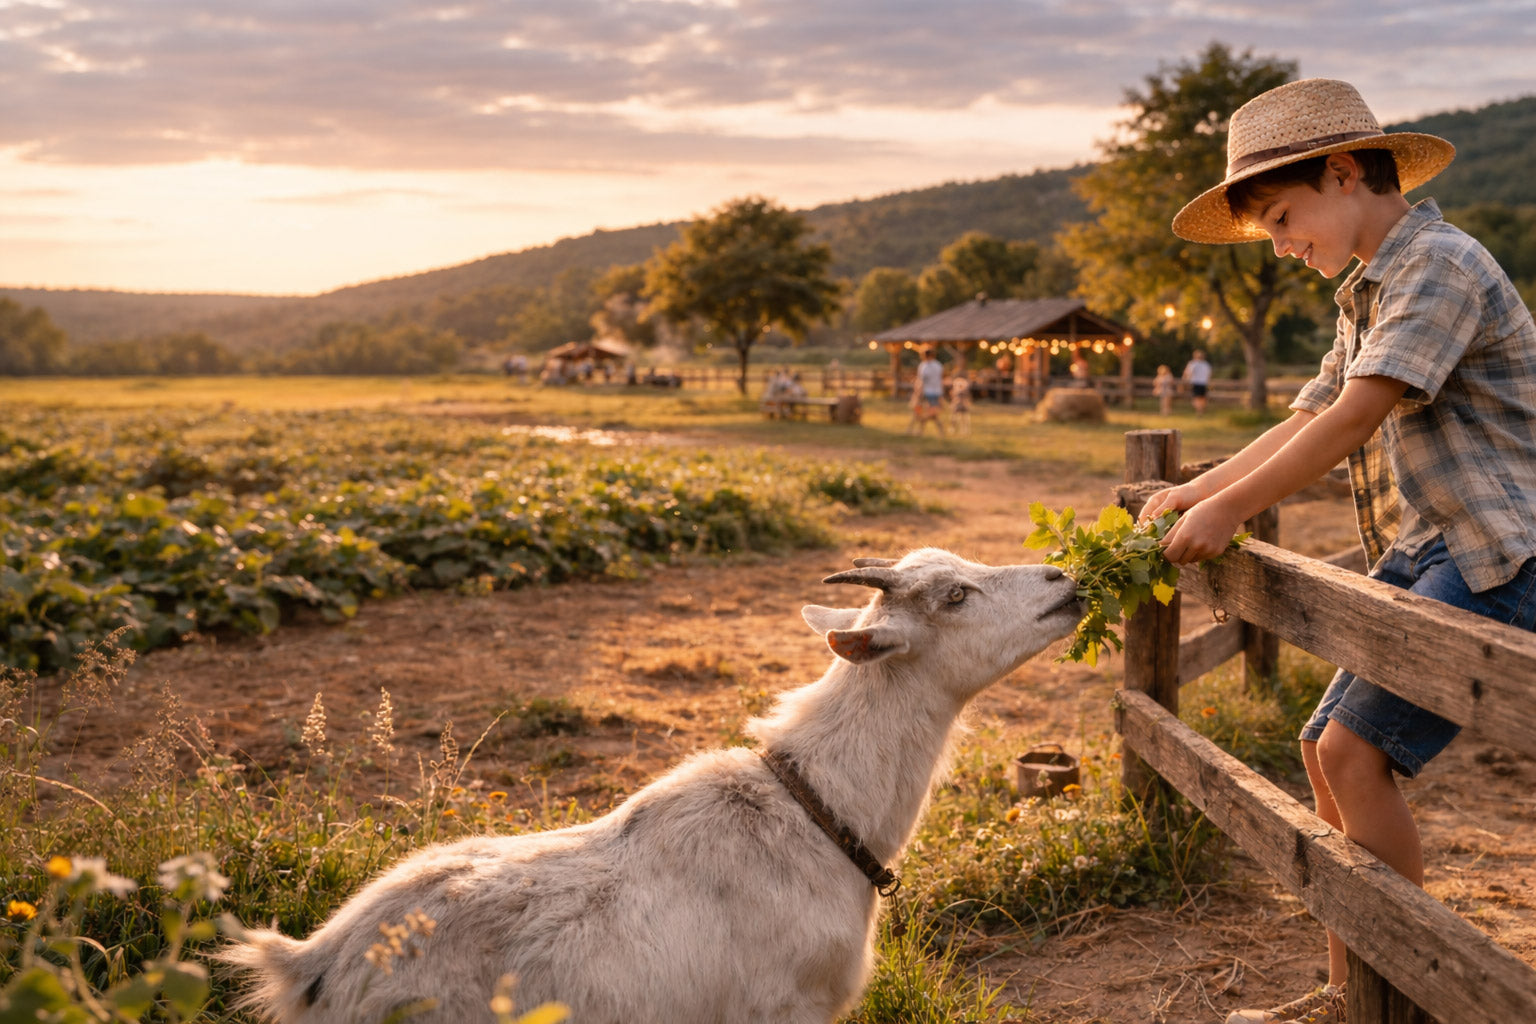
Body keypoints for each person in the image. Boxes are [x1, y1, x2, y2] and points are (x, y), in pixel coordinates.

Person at [1145, 78, 1536, 1024]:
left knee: (1356, 752)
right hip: (1432, 543)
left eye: (1283, 218)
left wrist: (1230, 511)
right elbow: (1311, 409)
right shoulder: (1367, 288)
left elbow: (1358, 417)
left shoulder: (1440, 263)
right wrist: (1197, 489)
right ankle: (1350, 988)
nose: (1281, 246)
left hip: (1503, 548)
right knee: (1324, 747)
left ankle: (1392, 994)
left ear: (1345, 171)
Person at [908, 347, 946, 436]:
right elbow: (940, 379)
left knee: (920, 411)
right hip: (937, 392)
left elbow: (922, 380)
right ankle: (920, 431)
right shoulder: (938, 365)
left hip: (926, 392)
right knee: (930, 413)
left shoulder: (924, 366)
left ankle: (914, 430)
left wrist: (918, 393)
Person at [1181, 349, 1212, 414]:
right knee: (1202, 397)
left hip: (1195, 382)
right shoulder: (1206, 364)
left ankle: (1199, 410)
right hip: (1203, 383)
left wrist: (1185, 380)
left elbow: (1188, 373)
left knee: (1196, 398)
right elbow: (1209, 374)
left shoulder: (1193, 363)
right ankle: (1201, 410)